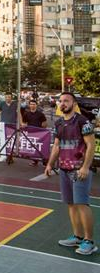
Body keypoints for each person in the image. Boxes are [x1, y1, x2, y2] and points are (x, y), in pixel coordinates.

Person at [46, 92, 96, 256]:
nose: (63, 103)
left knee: (82, 204)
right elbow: (56, 146)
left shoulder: (83, 122)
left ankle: (89, 241)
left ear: (74, 104)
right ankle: (78, 237)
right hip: (64, 169)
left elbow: (91, 145)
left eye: (66, 101)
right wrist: (50, 164)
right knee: (71, 204)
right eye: (60, 101)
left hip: (79, 170)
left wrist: (85, 167)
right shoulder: (59, 123)